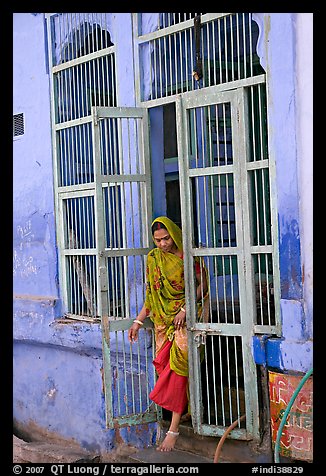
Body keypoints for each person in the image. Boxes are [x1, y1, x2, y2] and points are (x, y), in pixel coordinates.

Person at [128, 216, 208, 452]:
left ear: (174, 233)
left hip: (189, 316)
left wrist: (185, 308)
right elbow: (151, 297)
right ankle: (182, 411)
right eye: (157, 240)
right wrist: (138, 321)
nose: (162, 244)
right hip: (164, 321)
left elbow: (204, 285)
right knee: (166, 367)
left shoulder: (190, 255)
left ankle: (172, 429)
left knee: (178, 367)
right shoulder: (154, 259)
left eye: (166, 238)